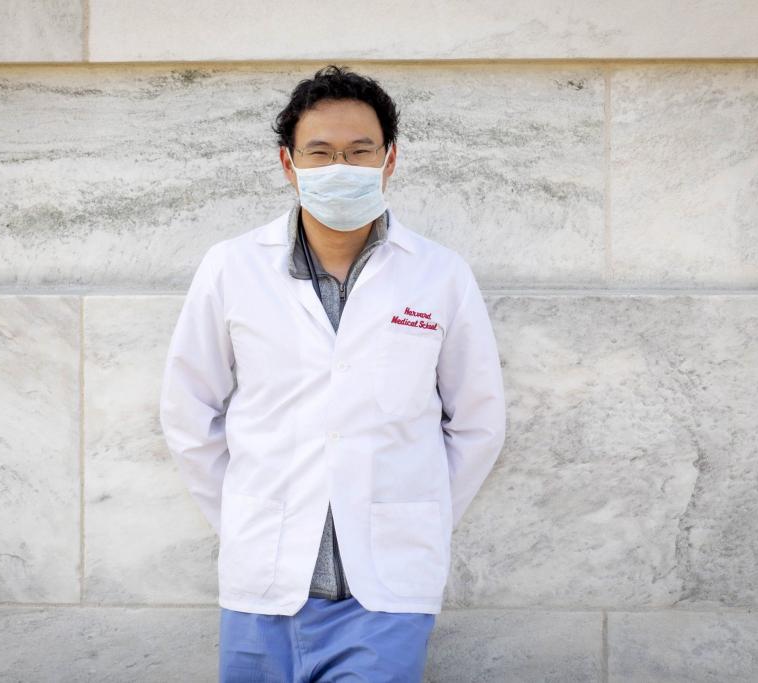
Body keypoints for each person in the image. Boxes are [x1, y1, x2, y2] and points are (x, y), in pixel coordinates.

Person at [159, 64, 507, 682]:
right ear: (288, 164)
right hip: (262, 585)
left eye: (359, 151)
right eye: (319, 152)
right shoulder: (232, 268)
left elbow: (478, 422)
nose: (339, 167)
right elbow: (190, 412)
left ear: (389, 159)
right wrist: (245, 516)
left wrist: (415, 514)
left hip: (387, 594)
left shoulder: (440, 275)